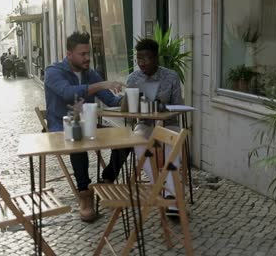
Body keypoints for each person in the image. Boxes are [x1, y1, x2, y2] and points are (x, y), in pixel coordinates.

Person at [45, 31, 129, 222]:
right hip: (61, 128)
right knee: (77, 142)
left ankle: (106, 180)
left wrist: (129, 98)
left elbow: (110, 100)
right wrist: (100, 85)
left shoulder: (90, 74)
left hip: (88, 126)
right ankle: (85, 194)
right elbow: (67, 93)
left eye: (88, 54)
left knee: (127, 139)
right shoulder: (53, 72)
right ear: (69, 54)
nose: (87, 58)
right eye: (82, 54)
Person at [126, 38, 183, 216]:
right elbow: (129, 111)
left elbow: (178, 108)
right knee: (137, 141)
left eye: (147, 58)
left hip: (168, 123)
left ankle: (171, 199)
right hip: (145, 124)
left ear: (156, 58)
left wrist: (162, 111)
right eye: (139, 59)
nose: (142, 63)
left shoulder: (171, 76)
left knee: (173, 145)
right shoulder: (133, 78)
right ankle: (160, 186)